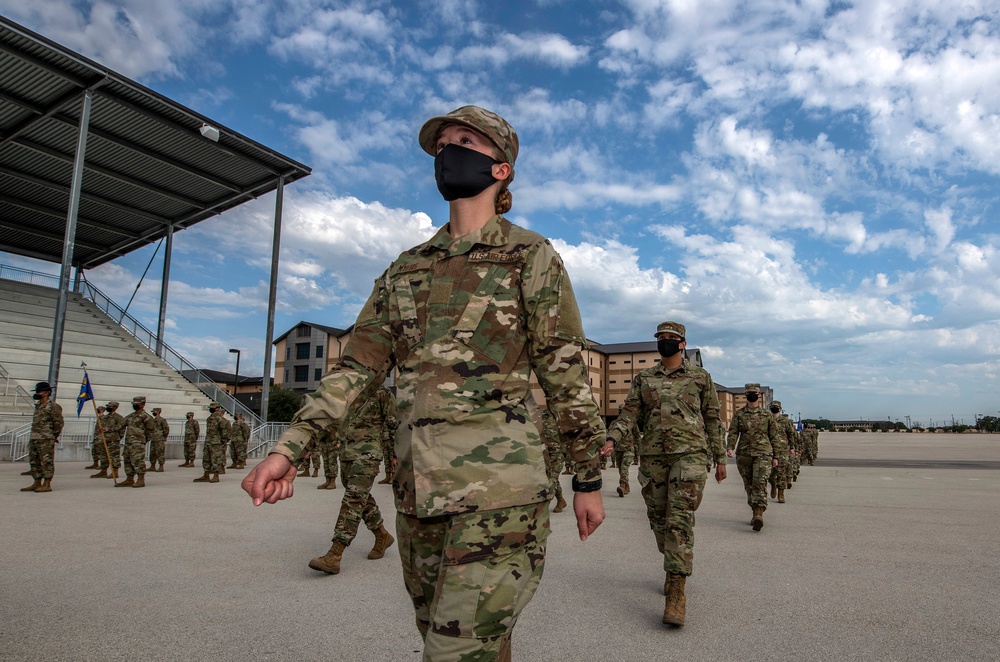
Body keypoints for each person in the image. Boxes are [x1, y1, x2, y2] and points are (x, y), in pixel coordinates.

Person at [242, 105, 606, 661]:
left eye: (463, 141)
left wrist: (587, 480)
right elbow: (357, 369)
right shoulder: (405, 269)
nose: (446, 152)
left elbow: (564, 372)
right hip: (418, 497)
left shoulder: (529, 256)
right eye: (440, 145)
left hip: (497, 494)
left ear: (501, 168)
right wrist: (289, 449)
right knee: (465, 641)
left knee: (453, 652)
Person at [604, 321, 726, 626]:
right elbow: (630, 413)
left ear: (683, 344)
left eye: (672, 338)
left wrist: (721, 457)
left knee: (678, 522)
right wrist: (612, 438)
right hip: (654, 456)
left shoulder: (700, 377)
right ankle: (672, 561)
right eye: (661, 338)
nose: (666, 342)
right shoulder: (644, 378)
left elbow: (713, 418)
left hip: (690, 455)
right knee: (659, 519)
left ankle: (676, 592)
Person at [309, 384, 398, 574]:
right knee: (359, 497)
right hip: (347, 453)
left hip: (368, 453)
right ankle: (382, 534)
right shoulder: (348, 392)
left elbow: (394, 424)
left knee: (354, 499)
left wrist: (396, 454)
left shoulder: (382, 393)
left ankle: (335, 553)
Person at [726, 384, 778, 530]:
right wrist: (730, 447)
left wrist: (776, 456)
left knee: (759, 483)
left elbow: (774, 436)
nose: (751, 395)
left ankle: (758, 514)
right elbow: (733, 432)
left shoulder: (767, 415)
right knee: (749, 485)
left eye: (754, 393)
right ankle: (754, 510)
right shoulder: (740, 414)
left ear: (759, 395)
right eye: (749, 393)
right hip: (744, 454)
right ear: (745, 395)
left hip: (763, 453)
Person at [20, 381, 64, 493]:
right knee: (34, 461)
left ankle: (47, 483)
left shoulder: (52, 406)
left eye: (39, 391)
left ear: (46, 393)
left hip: (46, 439)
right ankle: (36, 482)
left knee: (46, 461)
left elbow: (58, 423)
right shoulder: (38, 406)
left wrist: (53, 436)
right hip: (35, 438)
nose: (37, 393)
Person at [116, 395, 154, 488]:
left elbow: (150, 431)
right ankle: (129, 479)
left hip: (138, 443)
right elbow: (120, 425)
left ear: (143, 404)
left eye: (137, 404)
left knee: (138, 461)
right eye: (134, 404)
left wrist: (143, 441)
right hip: (129, 442)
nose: (135, 405)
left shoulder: (146, 417)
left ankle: (141, 479)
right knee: (127, 460)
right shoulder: (130, 416)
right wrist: (106, 429)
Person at [540, 408, 568, 513]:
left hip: (558, 453)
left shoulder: (564, 417)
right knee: (550, 478)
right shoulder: (541, 415)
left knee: (552, 479)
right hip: (545, 453)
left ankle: (545, 504)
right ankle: (561, 500)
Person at [195, 403, 229, 483]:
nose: (210, 409)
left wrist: (222, 441)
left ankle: (216, 476)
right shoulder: (210, 418)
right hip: (208, 441)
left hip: (216, 442)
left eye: (212, 407)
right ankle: (206, 475)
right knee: (206, 459)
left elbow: (224, 432)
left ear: (217, 408)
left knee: (215, 459)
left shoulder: (220, 419)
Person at [769, 401, 795, 503]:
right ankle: (773, 484)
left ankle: (781, 493)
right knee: (769, 474)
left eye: (776, 407)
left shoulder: (785, 421)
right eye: (773, 407)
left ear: (780, 409)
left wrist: (792, 447)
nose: (774, 408)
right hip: (769, 450)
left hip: (782, 450)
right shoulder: (767, 419)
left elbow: (790, 434)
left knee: (781, 472)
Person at [92, 401, 125, 479]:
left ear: (115, 407)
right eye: (108, 406)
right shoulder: (105, 417)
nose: (108, 408)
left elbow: (121, 428)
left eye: (110, 406)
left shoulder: (118, 417)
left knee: (114, 457)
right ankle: (103, 471)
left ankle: (115, 472)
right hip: (104, 439)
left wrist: (109, 430)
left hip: (113, 440)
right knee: (103, 456)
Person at [84, 405, 107, 471]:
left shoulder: (104, 418)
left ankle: (102, 465)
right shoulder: (99, 418)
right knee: (94, 451)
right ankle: (95, 463)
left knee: (101, 452)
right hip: (96, 437)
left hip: (100, 437)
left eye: (99, 410)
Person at [149, 407, 169, 472]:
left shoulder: (162, 420)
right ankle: (152, 466)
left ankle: (161, 466)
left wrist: (163, 437)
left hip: (160, 439)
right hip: (153, 439)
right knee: (152, 453)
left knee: (160, 453)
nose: (153, 413)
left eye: (154, 411)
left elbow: (166, 429)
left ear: (158, 412)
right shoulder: (153, 420)